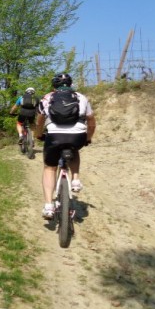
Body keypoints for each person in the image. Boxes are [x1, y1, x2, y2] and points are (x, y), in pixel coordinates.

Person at [34, 73, 96, 219]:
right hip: (77, 136)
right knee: (75, 149)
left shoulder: (47, 98)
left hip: (54, 136)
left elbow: (39, 121)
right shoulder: (81, 97)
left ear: (54, 85)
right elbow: (91, 122)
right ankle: (75, 180)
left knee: (50, 168)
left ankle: (49, 206)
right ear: (70, 84)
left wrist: (38, 134)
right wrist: (87, 138)